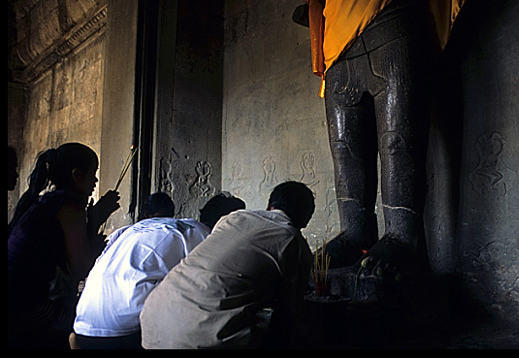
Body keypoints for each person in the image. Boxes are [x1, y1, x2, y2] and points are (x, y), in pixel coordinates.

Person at [297, 0, 472, 268]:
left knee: (397, 141)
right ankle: (355, 233)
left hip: (392, 12)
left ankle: (403, 236)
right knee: (344, 148)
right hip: (337, 41)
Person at [140, 181, 315, 349]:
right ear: (306, 217)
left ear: (270, 205)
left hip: (153, 318)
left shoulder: (233, 218)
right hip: (198, 338)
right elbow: (287, 315)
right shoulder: (292, 240)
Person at [71, 192, 246, 349]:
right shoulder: (205, 236)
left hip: (84, 323)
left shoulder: (134, 228)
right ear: (228, 226)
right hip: (126, 331)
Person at [7, 142, 120, 349]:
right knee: (91, 324)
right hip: (23, 308)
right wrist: (94, 220)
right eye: (93, 174)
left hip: (17, 298)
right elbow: (80, 268)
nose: (95, 180)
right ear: (77, 175)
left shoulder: (47, 201)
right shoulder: (70, 207)